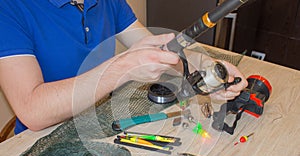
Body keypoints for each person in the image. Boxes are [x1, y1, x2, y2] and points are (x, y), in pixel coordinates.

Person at [0, 0, 247, 134]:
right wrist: (122, 67)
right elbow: (32, 111)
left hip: (102, 122)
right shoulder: (8, 9)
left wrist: (205, 65)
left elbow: (162, 51)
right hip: (43, 138)